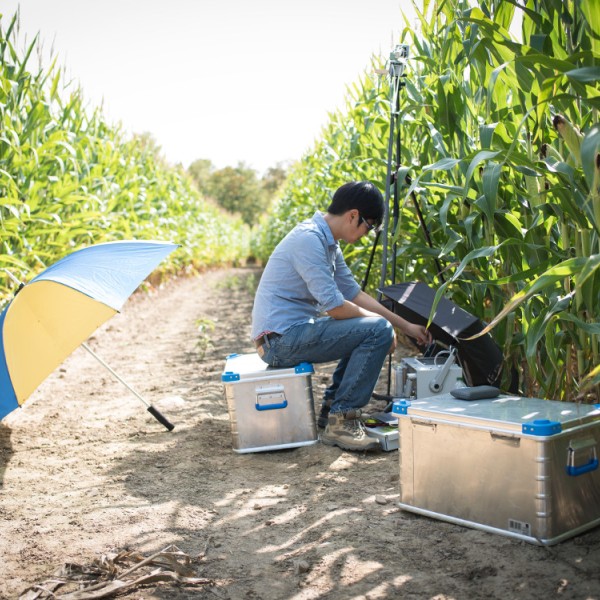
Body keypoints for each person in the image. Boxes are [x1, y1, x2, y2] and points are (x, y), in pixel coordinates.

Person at [251, 181, 431, 451]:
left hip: (291, 334)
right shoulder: (308, 240)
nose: (367, 233)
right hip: (279, 342)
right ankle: (343, 421)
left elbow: (355, 295)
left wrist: (404, 326)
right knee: (372, 328)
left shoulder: (328, 244)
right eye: (369, 227)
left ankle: (330, 412)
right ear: (353, 215)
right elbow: (335, 307)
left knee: (368, 327)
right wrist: (381, 327)